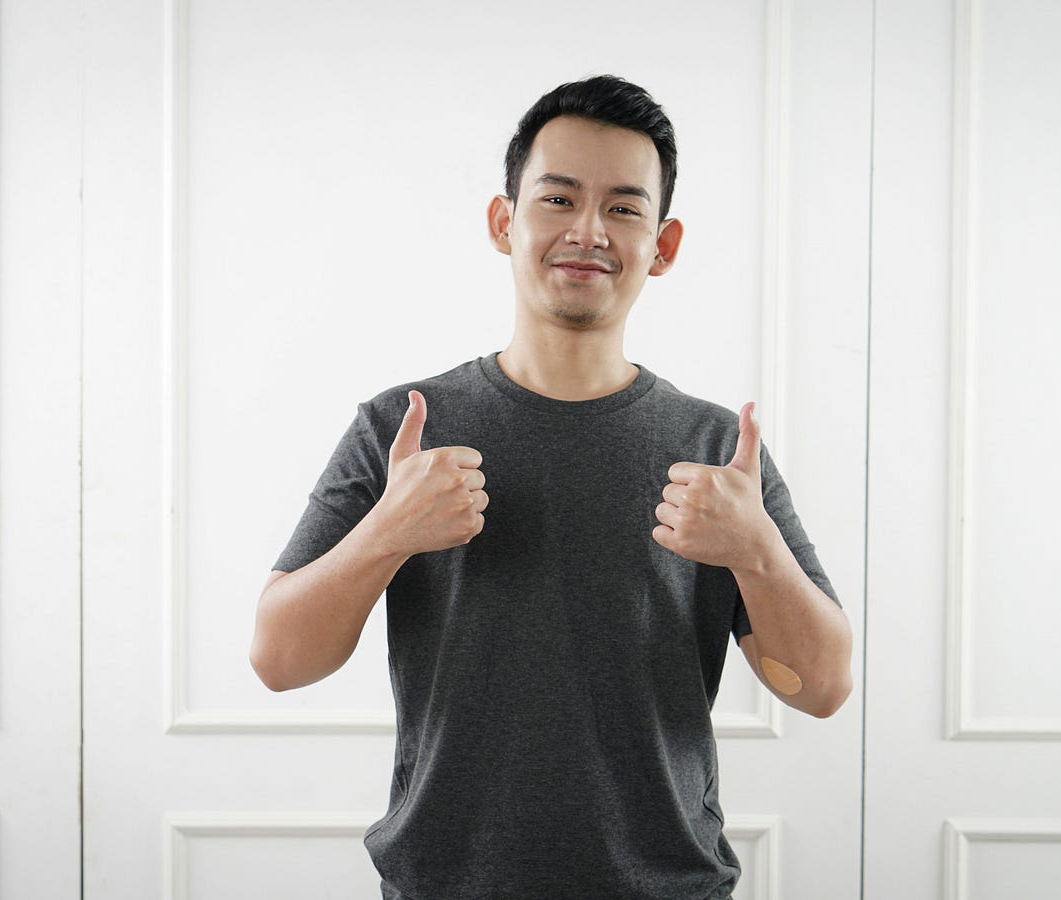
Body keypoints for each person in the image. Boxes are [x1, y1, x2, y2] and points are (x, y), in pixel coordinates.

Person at [250, 74, 853, 900]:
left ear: (664, 245)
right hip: (444, 886)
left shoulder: (718, 450)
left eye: (624, 208)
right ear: (506, 222)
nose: (588, 231)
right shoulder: (402, 429)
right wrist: (388, 532)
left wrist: (758, 554)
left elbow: (820, 686)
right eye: (559, 199)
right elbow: (279, 660)